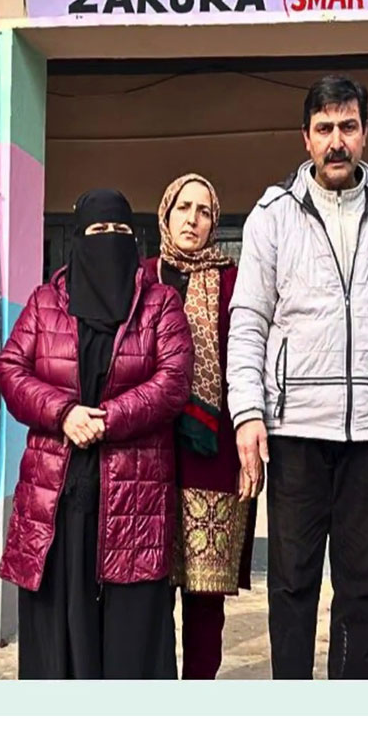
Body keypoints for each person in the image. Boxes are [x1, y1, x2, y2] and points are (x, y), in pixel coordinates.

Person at [227, 75, 368, 679]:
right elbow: (249, 320)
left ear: (365, 133)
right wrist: (247, 413)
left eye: (347, 127)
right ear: (305, 138)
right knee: (291, 583)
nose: (336, 142)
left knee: (362, 587)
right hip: (295, 432)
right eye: (324, 129)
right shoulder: (273, 215)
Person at [0, 189, 192, 679]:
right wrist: (63, 414)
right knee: (59, 630)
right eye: (98, 232)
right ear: (78, 239)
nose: (109, 242)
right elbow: (11, 370)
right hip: (56, 501)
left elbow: (173, 381)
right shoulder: (46, 303)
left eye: (120, 232)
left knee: (131, 640)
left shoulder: (160, 303)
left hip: (133, 498)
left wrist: (106, 418)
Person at [146, 173, 256, 680]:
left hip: (213, 456)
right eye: (183, 207)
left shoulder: (231, 281)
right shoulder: (140, 278)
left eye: (204, 210)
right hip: (147, 454)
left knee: (205, 596)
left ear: (215, 221)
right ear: (165, 213)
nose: (192, 219)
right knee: (148, 588)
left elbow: (246, 361)